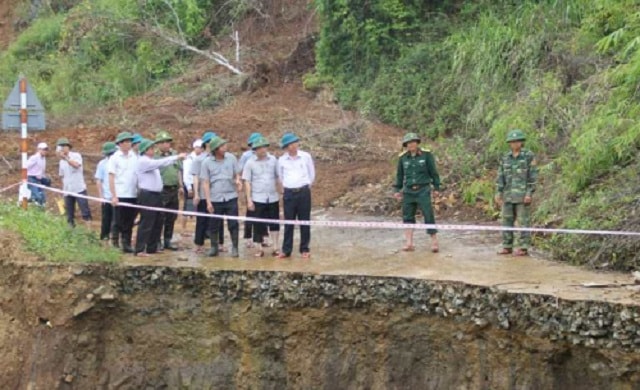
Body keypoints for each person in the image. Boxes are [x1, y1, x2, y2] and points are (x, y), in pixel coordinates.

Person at [134, 138, 187, 257]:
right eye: (151, 148)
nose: (153, 150)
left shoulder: (151, 160)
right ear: (145, 150)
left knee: (158, 220)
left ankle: (152, 247)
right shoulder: (143, 161)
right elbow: (161, 163)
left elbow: (162, 163)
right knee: (147, 222)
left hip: (157, 195)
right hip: (148, 195)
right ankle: (140, 249)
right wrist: (176, 157)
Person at [393, 132, 441, 253]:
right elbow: (399, 175)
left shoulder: (426, 155)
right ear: (406, 145)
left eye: (413, 142)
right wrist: (397, 190)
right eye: (409, 143)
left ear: (417, 143)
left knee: (428, 214)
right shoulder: (403, 158)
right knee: (407, 216)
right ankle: (409, 243)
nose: (411, 145)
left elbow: (433, 173)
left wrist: (436, 188)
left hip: (423, 190)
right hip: (408, 191)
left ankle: (434, 242)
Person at [495, 129, 538, 256]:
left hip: (522, 196)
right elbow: (500, 176)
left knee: (523, 222)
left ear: (521, 142)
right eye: (512, 142)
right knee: (506, 221)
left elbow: (533, 177)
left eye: (517, 141)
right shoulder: (505, 157)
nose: (515, 144)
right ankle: (507, 246)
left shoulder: (528, 156)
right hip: (508, 196)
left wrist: (529, 193)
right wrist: (498, 192)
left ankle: (523, 247)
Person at [200, 136, 242, 257]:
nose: (225, 148)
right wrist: (208, 202)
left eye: (225, 145)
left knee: (233, 223)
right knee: (214, 224)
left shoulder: (231, 158)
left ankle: (235, 247)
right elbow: (206, 183)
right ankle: (214, 247)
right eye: (222, 146)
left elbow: (237, 173)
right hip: (215, 198)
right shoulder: (206, 162)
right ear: (216, 149)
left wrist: (238, 180)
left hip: (231, 196)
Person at [277, 132, 315, 259]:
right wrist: (286, 188)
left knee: (304, 221)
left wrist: (307, 184)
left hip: (303, 192)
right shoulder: (281, 160)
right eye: (290, 145)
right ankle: (286, 250)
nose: (294, 146)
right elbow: (280, 177)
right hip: (289, 194)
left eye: (295, 143)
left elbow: (311, 172)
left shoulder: (305, 156)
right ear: (286, 147)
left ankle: (304, 248)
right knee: (289, 222)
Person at [242, 136, 281, 257]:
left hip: (272, 196)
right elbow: (247, 181)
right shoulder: (250, 162)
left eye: (264, 147)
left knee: (274, 223)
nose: (262, 150)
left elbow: (278, 176)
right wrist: (249, 200)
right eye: (259, 148)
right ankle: (259, 248)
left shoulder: (273, 160)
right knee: (258, 224)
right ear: (254, 150)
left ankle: (275, 247)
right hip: (258, 197)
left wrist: (281, 191)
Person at [192, 131, 225, 254]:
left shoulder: (220, 158)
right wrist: (196, 193)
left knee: (218, 219)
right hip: (203, 194)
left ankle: (219, 243)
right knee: (202, 219)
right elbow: (195, 177)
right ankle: (199, 243)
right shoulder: (199, 160)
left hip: (217, 194)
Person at [108, 131, 138, 253]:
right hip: (120, 193)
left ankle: (126, 243)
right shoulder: (114, 158)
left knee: (129, 220)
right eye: (125, 142)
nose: (128, 144)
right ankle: (114, 242)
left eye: (129, 141)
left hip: (132, 193)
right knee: (118, 220)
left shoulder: (134, 156)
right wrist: (114, 195)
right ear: (120, 144)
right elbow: (111, 177)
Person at [155, 130, 183, 251]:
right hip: (161, 190)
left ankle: (168, 240)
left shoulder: (174, 154)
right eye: (164, 142)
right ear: (158, 144)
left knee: (171, 216)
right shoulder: (155, 156)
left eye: (168, 142)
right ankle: (157, 241)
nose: (167, 145)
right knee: (159, 217)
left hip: (173, 189)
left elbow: (178, 170)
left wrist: (181, 186)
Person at [57, 137, 92, 227]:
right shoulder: (61, 162)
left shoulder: (76, 156)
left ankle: (89, 231)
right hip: (68, 190)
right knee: (69, 214)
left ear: (68, 147)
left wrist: (66, 158)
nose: (62, 149)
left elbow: (76, 165)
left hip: (79, 188)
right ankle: (71, 231)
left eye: (63, 146)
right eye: (60, 147)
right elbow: (62, 176)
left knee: (85, 211)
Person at [239, 132, 263, 249]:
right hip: (250, 187)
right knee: (250, 212)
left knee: (263, 213)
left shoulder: (265, 155)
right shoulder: (246, 156)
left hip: (262, 188)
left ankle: (262, 237)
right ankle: (248, 237)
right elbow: (241, 170)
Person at [95, 141, 118, 242]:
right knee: (106, 219)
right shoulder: (102, 164)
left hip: (118, 196)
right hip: (107, 197)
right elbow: (99, 180)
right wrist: (101, 196)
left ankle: (116, 238)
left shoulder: (119, 162)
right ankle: (104, 237)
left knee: (116, 219)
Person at [181, 139, 202, 233]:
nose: (201, 149)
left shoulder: (201, 158)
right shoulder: (189, 159)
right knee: (188, 206)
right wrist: (189, 187)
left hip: (198, 184)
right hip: (190, 184)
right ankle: (183, 229)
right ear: (195, 148)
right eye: (199, 147)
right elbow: (186, 174)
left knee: (198, 207)